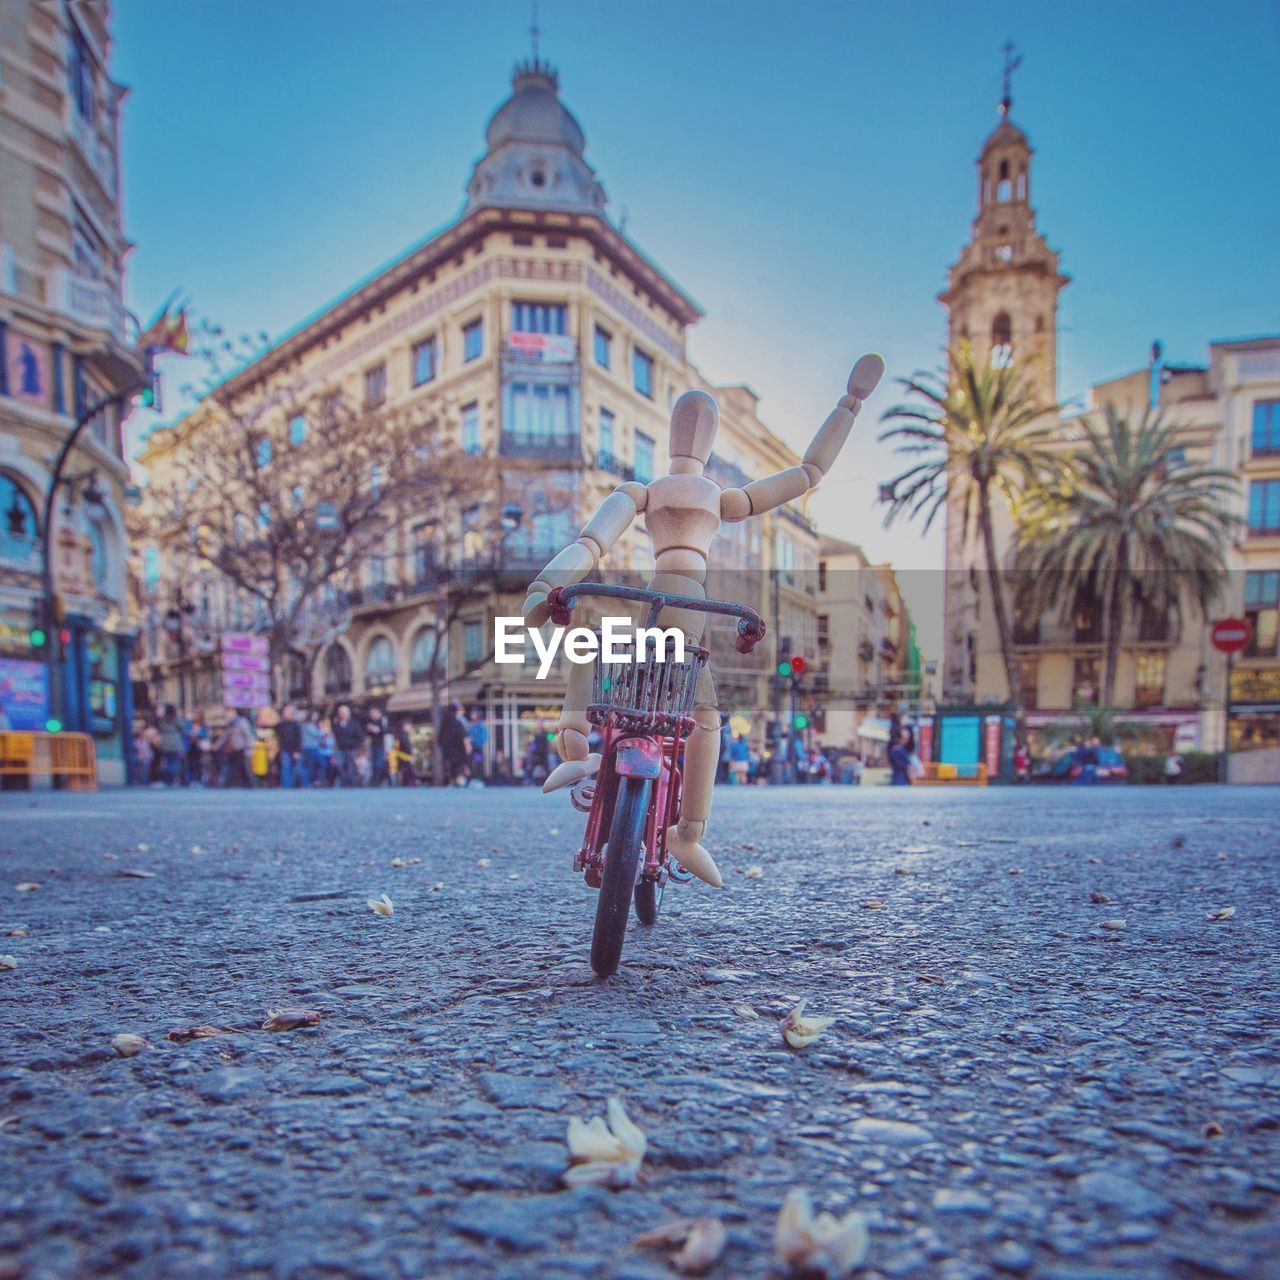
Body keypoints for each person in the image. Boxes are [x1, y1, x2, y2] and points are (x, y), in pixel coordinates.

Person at [332, 703, 363, 786]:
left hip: (351, 748)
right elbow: (334, 736)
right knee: (340, 765)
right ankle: (343, 781)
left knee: (351, 766)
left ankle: (350, 782)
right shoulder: (336, 724)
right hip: (339, 748)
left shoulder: (354, 724)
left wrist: (355, 745)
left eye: (344, 713)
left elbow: (359, 736)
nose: (342, 715)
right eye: (341, 713)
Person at [438, 701, 468, 785]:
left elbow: (440, 738)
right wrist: (466, 748)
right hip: (458, 750)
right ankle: (459, 781)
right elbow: (463, 737)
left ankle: (453, 781)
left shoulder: (444, 723)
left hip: (447, 750)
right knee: (458, 767)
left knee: (452, 768)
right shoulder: (458, 723)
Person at [276, 703, 303, 789]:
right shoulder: (281, 724)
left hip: (294, 749)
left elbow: (299, 738)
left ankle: (295, 784)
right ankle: (286, 785)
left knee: (296, 768)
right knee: (285, 767)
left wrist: (297, 751)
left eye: (287, 711)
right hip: (284, 749)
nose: (285, 713)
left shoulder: (296, 724)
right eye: (284, 711)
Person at [156, 705, 184, 786]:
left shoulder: (162, 720)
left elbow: (159, 729)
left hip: (165, 741)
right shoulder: (177, 720)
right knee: (174, 761)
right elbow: (182, 730)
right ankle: (173, 780)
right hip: (175, 742)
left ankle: (166, 779)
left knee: (165, 762)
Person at [365, 704, 390, 786]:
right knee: (373, 763)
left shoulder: (383, 720)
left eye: (373, 713)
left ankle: (379, 780)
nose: (371, 715)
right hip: (373, 745)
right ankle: (374, 780)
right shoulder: (370, 722)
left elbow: (387, 732)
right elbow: (367, 734)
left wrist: (378, 730)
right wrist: (369, 729)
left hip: (381, 745)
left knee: (379, 762)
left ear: (378, 713)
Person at [301, 711, 323, 786]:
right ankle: (306, 782)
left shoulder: (312, 725)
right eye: (314, 716)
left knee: (316, 764)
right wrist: (322, 730)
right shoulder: (308, 725)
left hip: (314, 747)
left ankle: (313, 781)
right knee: (310, 765)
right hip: (310, 748)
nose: (316, 717)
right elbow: (317, 734)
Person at [467, 708, 488, 781]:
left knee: (478, 763)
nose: (472, 715)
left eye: (474, 714)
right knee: (470, 764)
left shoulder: (481, 725)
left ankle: (479, 778)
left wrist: (474, 740)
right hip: (470, 748)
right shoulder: (471, 725)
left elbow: (484, 737)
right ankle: (472, 778)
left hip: (477, 748)